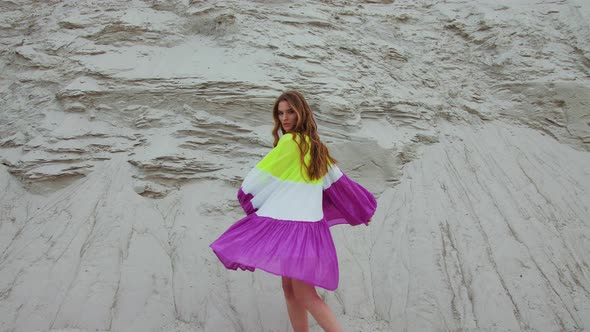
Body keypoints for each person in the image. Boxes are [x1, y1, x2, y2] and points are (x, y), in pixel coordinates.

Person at [210, 90, 377, 332]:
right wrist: (362, 211)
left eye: (290, 112)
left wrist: (249, 201)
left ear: (302, 113)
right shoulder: (317, 148)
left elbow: (255, 181)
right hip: (307, 232)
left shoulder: (290, 143)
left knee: (305, 294)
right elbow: (341, 185)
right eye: (280, 113)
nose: (285, 118)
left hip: (295, 232)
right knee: (291, 292)